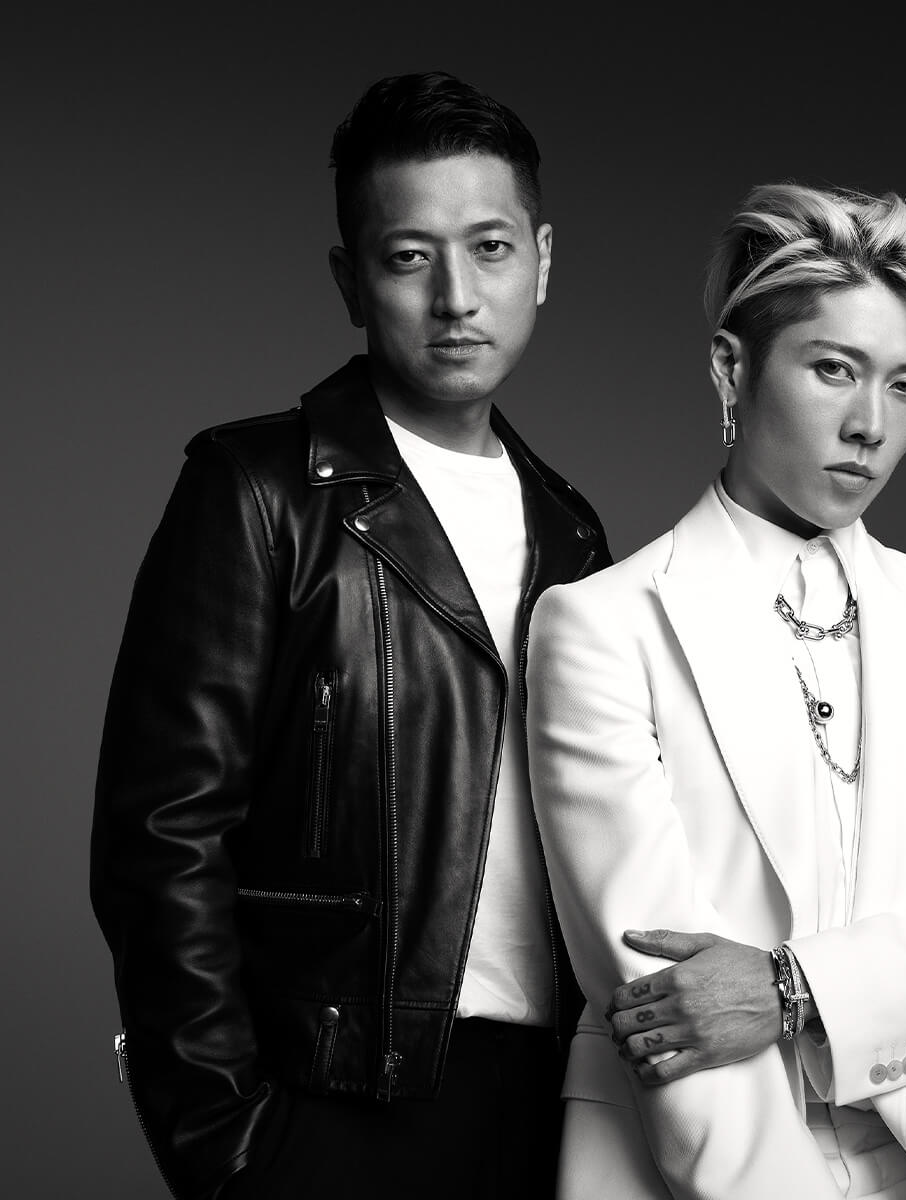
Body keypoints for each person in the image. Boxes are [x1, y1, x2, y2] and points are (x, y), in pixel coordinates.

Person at [527, 184, 906, 1199]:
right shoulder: (601, 625)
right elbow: (664, 1008)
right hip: (691, 1168)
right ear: (733, 367)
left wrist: (793, 988)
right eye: (833, 369)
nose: (870, 425)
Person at [91, 71, 609, 1200]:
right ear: (351, 280)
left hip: (551, 1109)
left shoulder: (571, 533)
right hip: (330, 1105)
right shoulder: (258, 490)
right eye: (409, 256)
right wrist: (230, 1146)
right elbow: (162, 839)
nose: (457, 298)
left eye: (490, 249)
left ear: (542, 261)